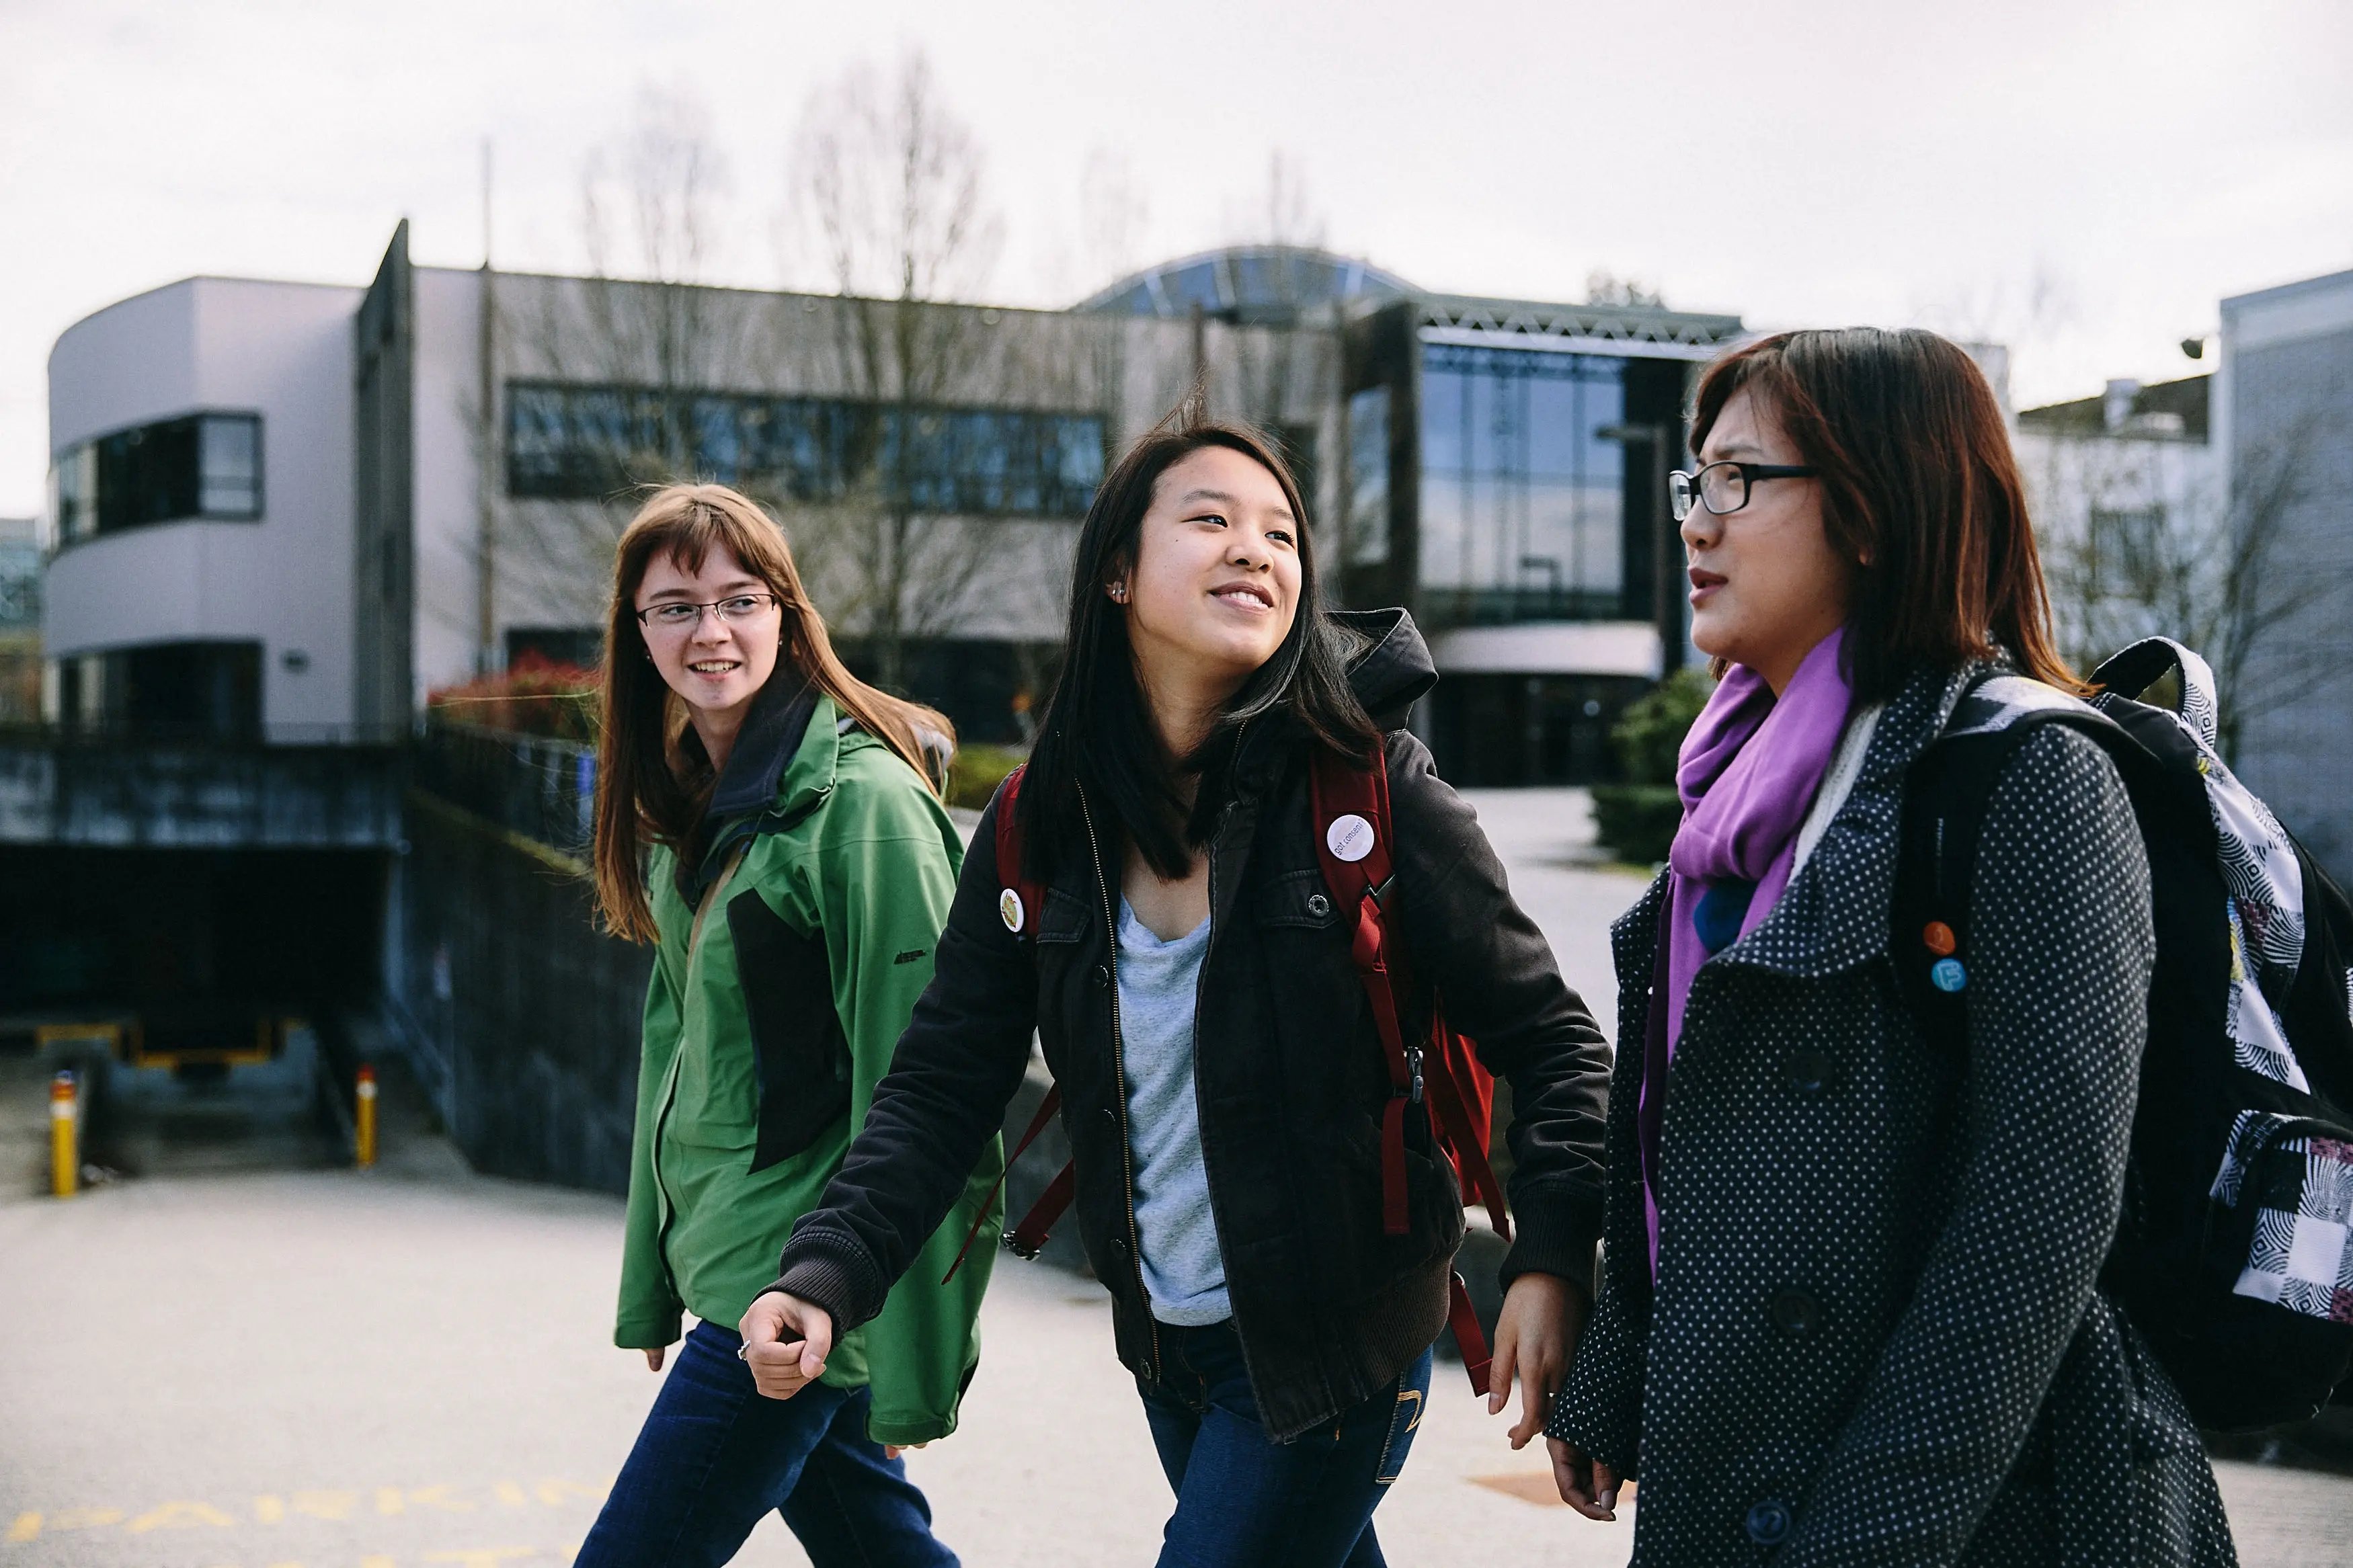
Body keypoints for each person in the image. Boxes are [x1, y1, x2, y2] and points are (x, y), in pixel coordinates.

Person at [732, 403, 1613, 1567]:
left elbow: (1555, 1042)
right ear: (1117, 572)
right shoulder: (1039, 825)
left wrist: (1552, 1255)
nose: (1256, 549)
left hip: (1339, 1346)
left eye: (1282, 534)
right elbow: (942, 1083)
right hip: (1167, 1347)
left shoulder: (1374, 792)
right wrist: (827, 1270)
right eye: (1210, 520)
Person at [1546, 329, 2237, 1565]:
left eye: (1739, 480)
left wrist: (1867, 1540)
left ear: (1872, 510)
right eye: (1696, 482)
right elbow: (1686, 1132)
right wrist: (1624, 1355)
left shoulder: (2032, 775)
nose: (1696, 522)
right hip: (1745, 1464)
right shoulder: (1738, 791)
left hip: (1981, 1511)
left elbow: (2040, 1216)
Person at [575, 483, 1002, 1568]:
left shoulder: (864, 807)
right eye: (676, 607)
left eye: (739, 599)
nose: (710, 631)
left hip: (789, 1289)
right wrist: (650, 1284)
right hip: (733, 1266)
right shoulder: (695, 805)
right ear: (637, 631)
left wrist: (904, 1353)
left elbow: (934, 1088)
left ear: (786, 612)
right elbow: (675, 1061)